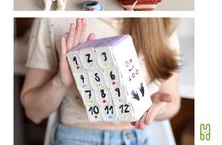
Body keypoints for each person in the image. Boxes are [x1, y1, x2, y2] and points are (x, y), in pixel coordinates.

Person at [21, 18, 180, 145]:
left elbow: (172, 102)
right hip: (75, 137)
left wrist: (154, 109)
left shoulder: (162, 19)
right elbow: (34, 113)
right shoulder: (53, 17)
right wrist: (61, 82)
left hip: (136, 137)